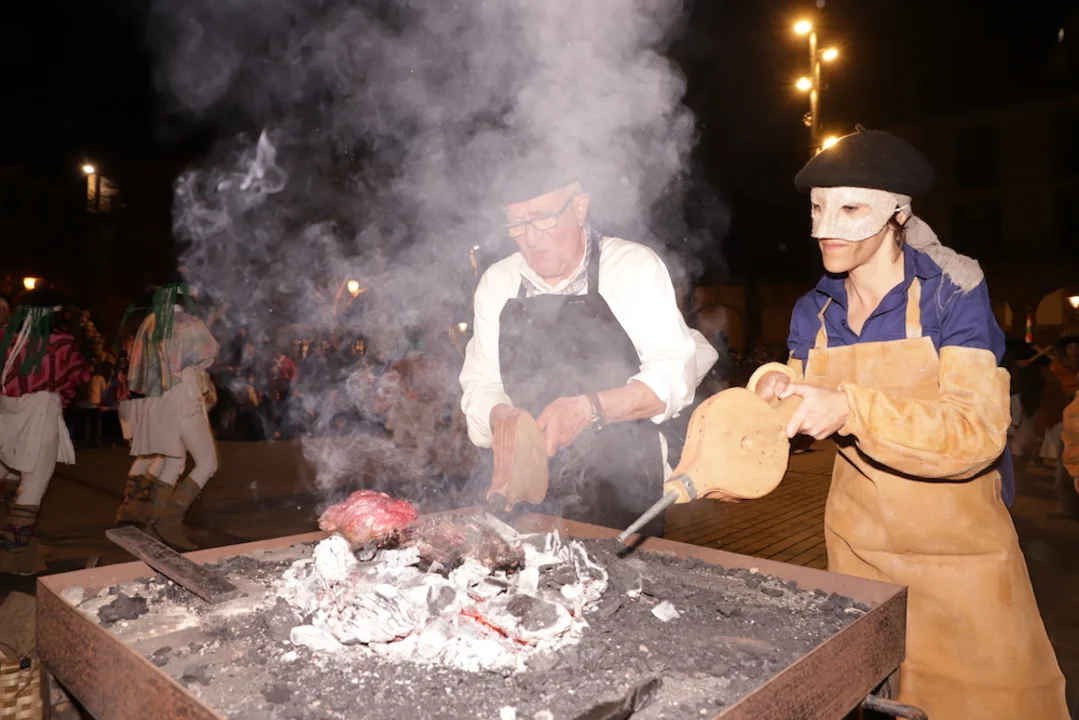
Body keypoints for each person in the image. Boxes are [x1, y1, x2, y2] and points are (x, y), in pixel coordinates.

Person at [746, 127, 1067, 717]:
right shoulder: (814, 310)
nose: (824, 228)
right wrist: (771, 388)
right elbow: (791, 404)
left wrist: (851, 408)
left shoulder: (951, 292)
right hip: (858, 558)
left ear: (897, 213)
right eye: (817, 208)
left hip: (962, 561)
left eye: (850, 209)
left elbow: (975, 433)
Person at [459, 175, 718, 535]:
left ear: (579, 208)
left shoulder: (631, 268)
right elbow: (482, 383)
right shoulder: (497, 282)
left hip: (625, 486)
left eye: (542, 218)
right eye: (516, 224)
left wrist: (588, 408)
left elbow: (673, 378)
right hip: (528, 490)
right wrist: (500, 416)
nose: (530, 238)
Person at [0, 289, 91, 575]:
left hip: (5, 409)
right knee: (34, 482)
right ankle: (13, 554)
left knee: (10, 473)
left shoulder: (5, 337)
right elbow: (79, 374)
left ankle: (26, 547)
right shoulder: (60, 341)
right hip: (41, 410)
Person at [127, 278, 220, 550]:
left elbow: (141, 365)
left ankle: (154, 522)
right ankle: (170, 520)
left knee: (172, 461)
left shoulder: (150, 322)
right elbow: (209, 354)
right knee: (207, 462)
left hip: (158, 400)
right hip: (184, 397)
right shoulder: (190, 323)